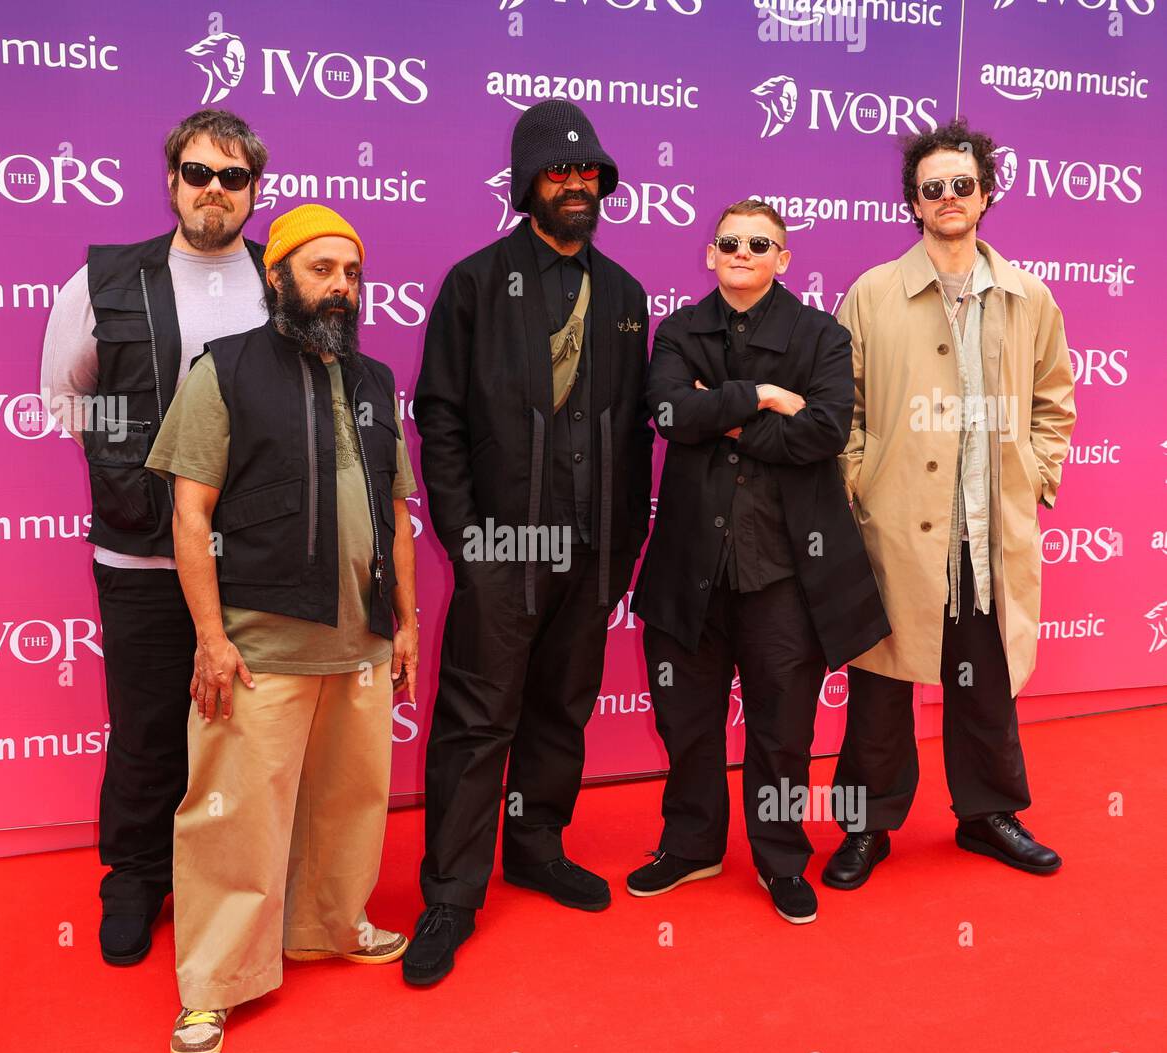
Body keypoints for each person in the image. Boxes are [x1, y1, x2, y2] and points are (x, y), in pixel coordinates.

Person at [144, 203, 419, 1053]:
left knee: (349, 805)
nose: (341, 287)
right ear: (278, 278)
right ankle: (213, 986)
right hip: (259, 648)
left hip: (364, 645)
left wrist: (405, 624)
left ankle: (332, 925)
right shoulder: (223, 370)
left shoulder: (374, 380)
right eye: (321, 270)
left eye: (352, 274)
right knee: (232, 820)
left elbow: (398, 516)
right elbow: (190, 515)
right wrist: (210, 639)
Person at [405, 99, 653, 985]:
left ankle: (537, 846)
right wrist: (468, 539)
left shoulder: (625, 296)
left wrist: (621, 552)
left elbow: (633, 435)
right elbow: (438, 417)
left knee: (561, 708)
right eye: (560, 173)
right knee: (476, 722)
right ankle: (451, 895)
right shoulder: (475, 283)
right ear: (528, 186)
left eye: (589, 173)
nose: (577, 185)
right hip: (501, 552)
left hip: (589, 554)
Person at [40, 108, 269, 965]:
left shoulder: (277, 283)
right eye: (199, 173)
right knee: (144, 727)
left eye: (233, 177)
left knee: (245, 728)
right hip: (138, 548)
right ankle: (134, 880)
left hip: (253, 552)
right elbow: (67, 397)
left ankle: (231, 878)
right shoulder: (104, 280)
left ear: (255, 191)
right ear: (171, 178)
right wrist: (137, 472)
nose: (215, 191)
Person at [826, 119, 1076, 889]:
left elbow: (1053, 399)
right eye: (931, 188)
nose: (947, 198)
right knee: (879, 682)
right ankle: (866, 826)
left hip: (987, 526)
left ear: (986, 192)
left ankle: (989, 813)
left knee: (986, 676)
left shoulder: (1028, 296)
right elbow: (845, 405)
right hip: (897, 523)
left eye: (961, 185)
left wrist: (1036, 472)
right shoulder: (872, 292)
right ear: (913, 202)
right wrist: (858, 480)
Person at [628, 201, 889, 923]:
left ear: (784, 259)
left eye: (760, 243)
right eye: (730, 242)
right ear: (710, 255)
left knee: (782, 733)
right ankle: (691, 846)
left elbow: (826, 431)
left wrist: (727, 416)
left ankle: (780, 859)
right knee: (687, 721)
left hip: (784, 574)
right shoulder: (678, 330)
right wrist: (769, 399)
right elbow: (672, 414)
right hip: (689, 570)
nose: (743, 251)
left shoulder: (821, 335)